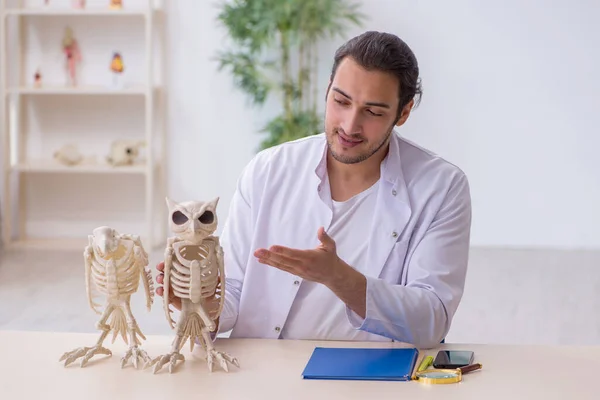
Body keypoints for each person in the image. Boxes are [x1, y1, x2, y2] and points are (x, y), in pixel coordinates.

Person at [156, 31, 472, 349]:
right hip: (265, 372)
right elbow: (235, 288)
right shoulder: (268, 170)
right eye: (341, 101)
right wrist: (199, 305)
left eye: (373, 112)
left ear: (403, 113)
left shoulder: (441, 187)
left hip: (371, 378)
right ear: (327, 91)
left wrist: (339, 278)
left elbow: (432, 318)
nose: (350, 125)